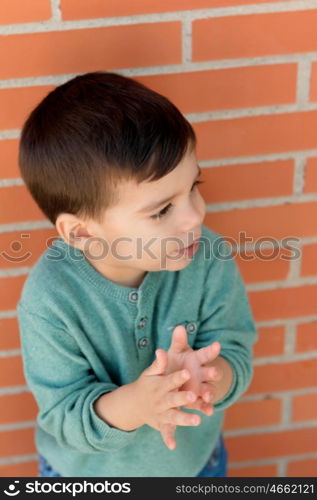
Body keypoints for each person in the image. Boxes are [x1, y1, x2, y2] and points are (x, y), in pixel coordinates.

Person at [17, 71, 258, 477]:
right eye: (162, 210)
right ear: (82, 233)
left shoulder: (208, 257)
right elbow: (64, 413)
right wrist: (140, 404)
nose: (196, 215)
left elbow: (235, 347)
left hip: (196, 466)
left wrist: (209, 379)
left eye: (194, 186)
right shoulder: (50, 301)